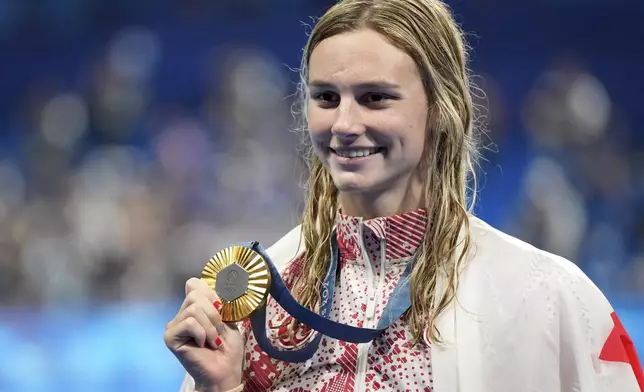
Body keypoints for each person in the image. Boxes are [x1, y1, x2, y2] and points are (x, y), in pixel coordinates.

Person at [163, 0, 644, 391]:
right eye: (326, 98)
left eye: (375, 97)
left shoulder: (545, 297)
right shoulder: (263, 300)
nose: (345, 125)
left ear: (442, 107)